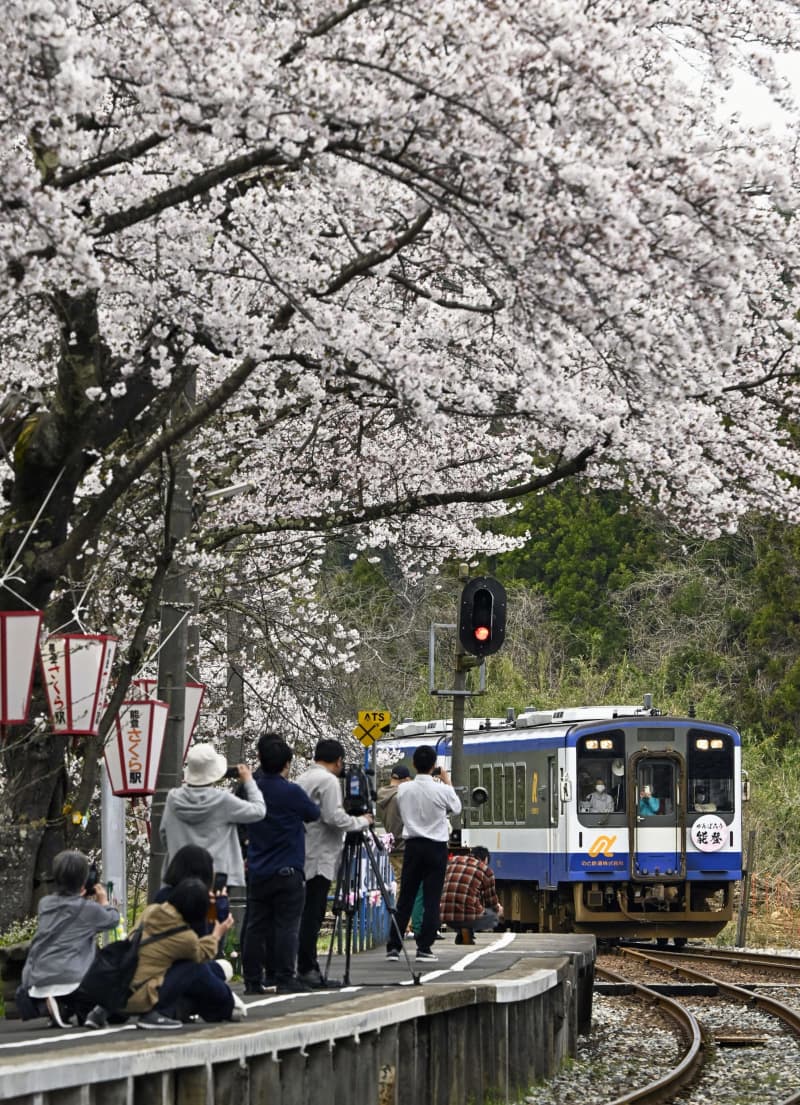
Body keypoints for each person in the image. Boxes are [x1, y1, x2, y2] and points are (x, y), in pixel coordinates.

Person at [242, 734, 321, 994]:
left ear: (259, 760)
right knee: (287, 925)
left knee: (256, 926)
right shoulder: (290, 791)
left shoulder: (249, 790)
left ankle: (253, 979)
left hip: (257, 868)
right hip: (287, 869)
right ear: (287, 763)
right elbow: (313, 814)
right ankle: (285, 978)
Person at [296, 738, 373, 988]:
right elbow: (334, 817)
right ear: (338, 760)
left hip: (303, 851)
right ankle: (308, 968)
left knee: (304, 913)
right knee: (313, 914)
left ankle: (304, 966)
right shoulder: (327, 781)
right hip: (320, 856)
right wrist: (362, 821)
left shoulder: (302, 778)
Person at [18, 850, 120, 1027]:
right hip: (74, 980)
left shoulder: (45, 904)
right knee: (116, 1012)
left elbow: (67, 909)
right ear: (84, 881)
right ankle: (74, 1007)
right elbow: (113, 920)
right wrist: (103, 902)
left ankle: (56, 1007)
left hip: (40, 978)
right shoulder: (90, 910)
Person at [124, 877, 235, 1029]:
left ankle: (100, 1012)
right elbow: (203, 954)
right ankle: (157, 1012)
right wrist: (217, 932)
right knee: (192, 967)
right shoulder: (184, 937)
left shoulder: (151, 911)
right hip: (141, 996)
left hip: (119, 991)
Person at [385, 744, 461, 964]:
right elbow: (456, 808)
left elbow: (401, 809)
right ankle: (424, 947)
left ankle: (393, 946)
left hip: (413, 846)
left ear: (414, 765)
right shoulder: (442, 790)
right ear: (434, 766)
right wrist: (446, 781)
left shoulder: (404, 790)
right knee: (431, 899)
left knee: (406, 897)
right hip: (436, 847)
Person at [160, 742, 265, 889]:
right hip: (216, 878)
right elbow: (259, 811)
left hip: (180, 876)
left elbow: (164, 835)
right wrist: (249, 780)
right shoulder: (223, 801)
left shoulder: (173, 799)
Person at [440, 846, 503, 944]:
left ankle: (461, 933)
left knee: (465, 897)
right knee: (493, 917)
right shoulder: (486, 870)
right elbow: (491, 901)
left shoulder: (453, 860)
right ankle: (467, 930)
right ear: (485, 859)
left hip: (445, 916)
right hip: (467, 917)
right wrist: (498, 909)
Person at [376, 764, 412, 900]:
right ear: (406, 779)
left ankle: (400, 917)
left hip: (392, 845)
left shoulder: (381, 795)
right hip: (405, 845)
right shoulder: (401, 796)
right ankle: (402, 919)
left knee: (398, 882)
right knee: (405, 885)